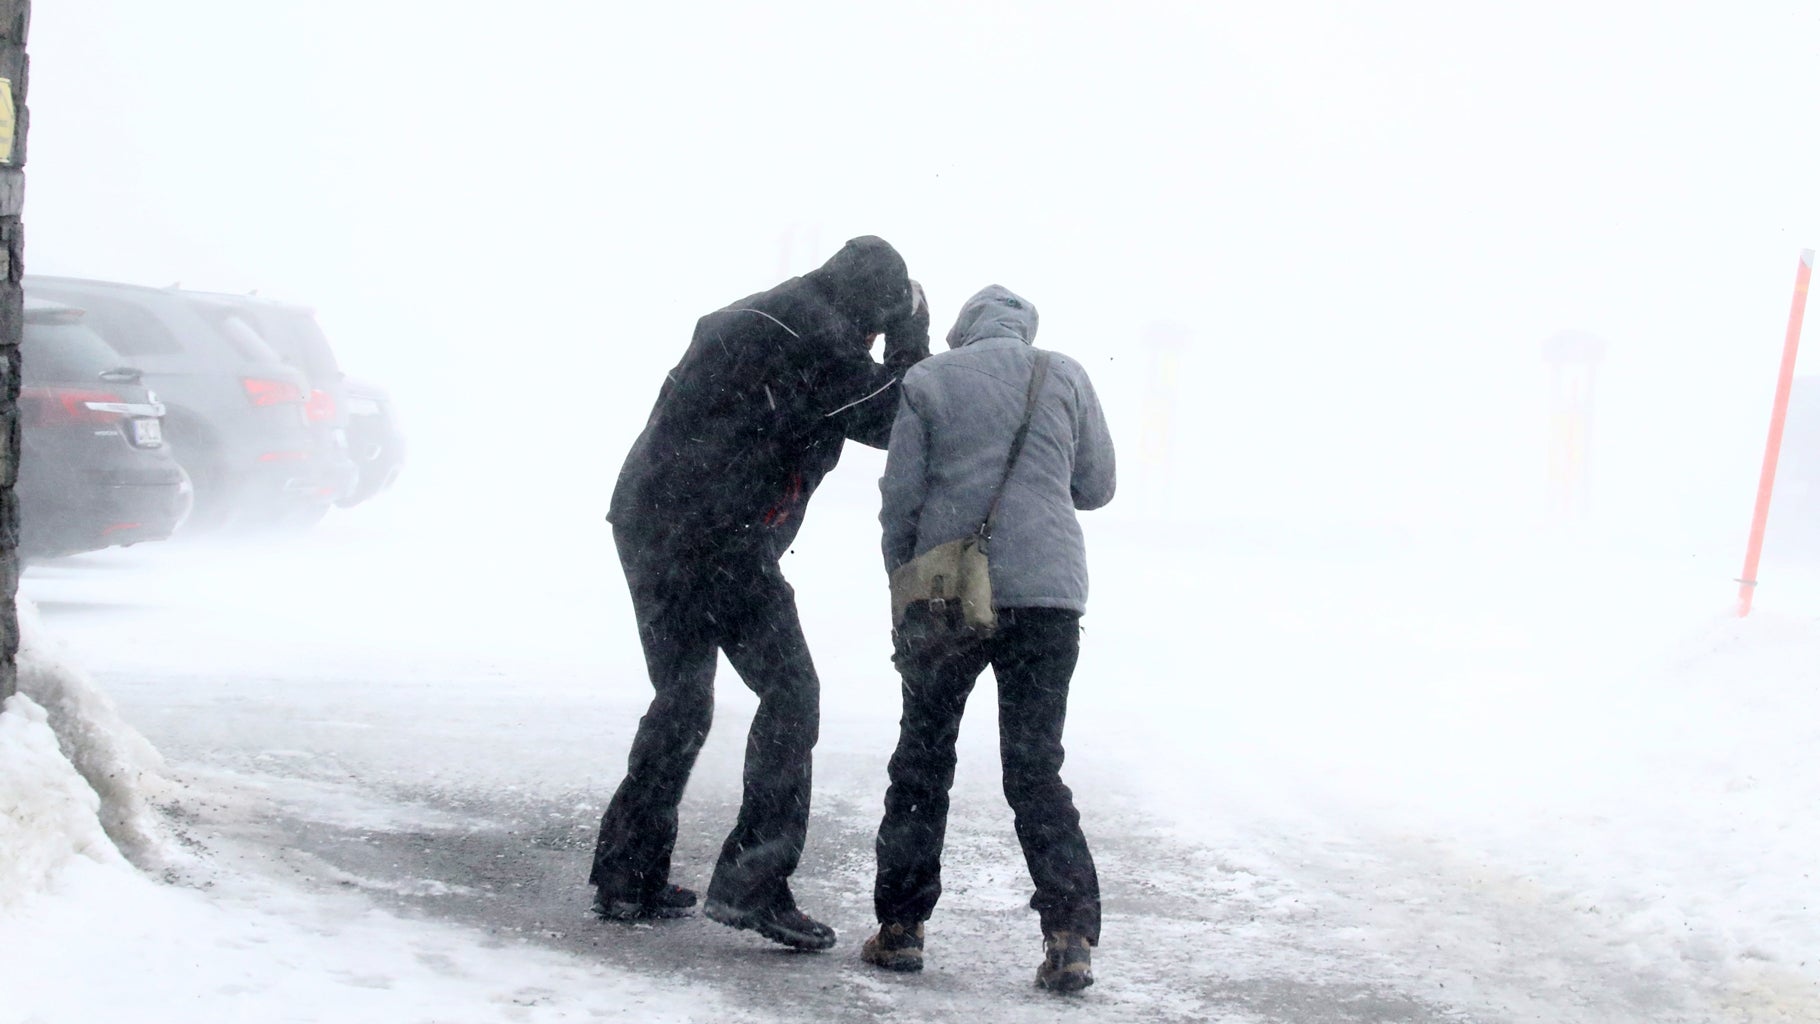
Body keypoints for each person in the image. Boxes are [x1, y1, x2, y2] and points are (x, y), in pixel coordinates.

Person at [591, 236, 931, 951]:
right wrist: (911, 337)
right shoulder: (818, 338)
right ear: (870, 306)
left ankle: (629, 875)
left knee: (682, 697)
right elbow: (891, 414)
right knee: (791, 692)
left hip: (651, 519)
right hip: (717, 534)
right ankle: (752, 883)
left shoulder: (771, 313)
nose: (871, 340)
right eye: (876, 324)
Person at [861, 284, 1115, 991]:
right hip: (1049, 599)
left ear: (961, 331)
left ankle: (902, 930)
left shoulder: (930, 379)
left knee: (923, 759)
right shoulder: (1062, 374)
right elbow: (1095, 486)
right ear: (1025, 330)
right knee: (1036, 770)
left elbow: (901, 499)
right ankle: (1069, 938)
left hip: (948, 598)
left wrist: (905, 583)